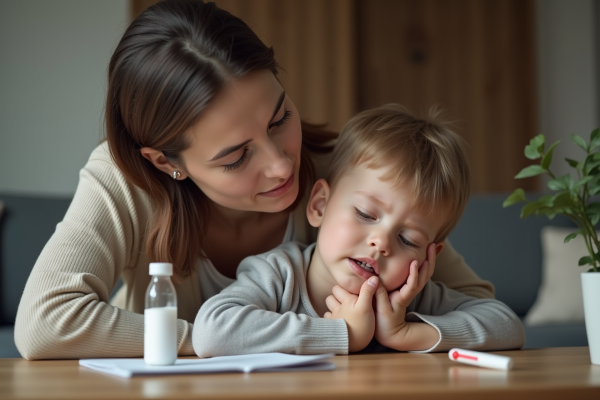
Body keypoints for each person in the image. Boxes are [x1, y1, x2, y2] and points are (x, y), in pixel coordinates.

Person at [14, 0, 494, 360]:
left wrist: (411, 332)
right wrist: (223, 339)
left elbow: (476, 305)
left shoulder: (353, 188)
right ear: (166, 163)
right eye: (237, 156)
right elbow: (43, 323)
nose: (284, 167)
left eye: (279, 118)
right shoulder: (126, 184)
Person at [193, 104, 525, 356]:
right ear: (320, 205)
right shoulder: (278, 275)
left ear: (428, 258)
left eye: (407, 239)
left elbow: (507, 326)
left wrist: (403, 334)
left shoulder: (410, 298)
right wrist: (343, 334)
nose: (380, 243)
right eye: (366, 214)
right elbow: (212, 332)